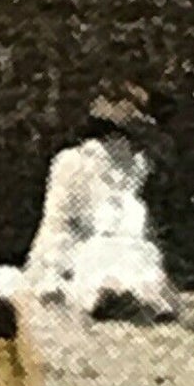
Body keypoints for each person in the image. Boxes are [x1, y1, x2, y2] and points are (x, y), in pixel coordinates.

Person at [23, 83, 178, 321]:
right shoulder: (72, 164)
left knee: (144, 275)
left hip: (133, 256)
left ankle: (132, 295)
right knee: (98, 270)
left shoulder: (141, 167)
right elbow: (57, 226)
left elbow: (146, 232)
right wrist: (50, 276)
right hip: (82, 258)